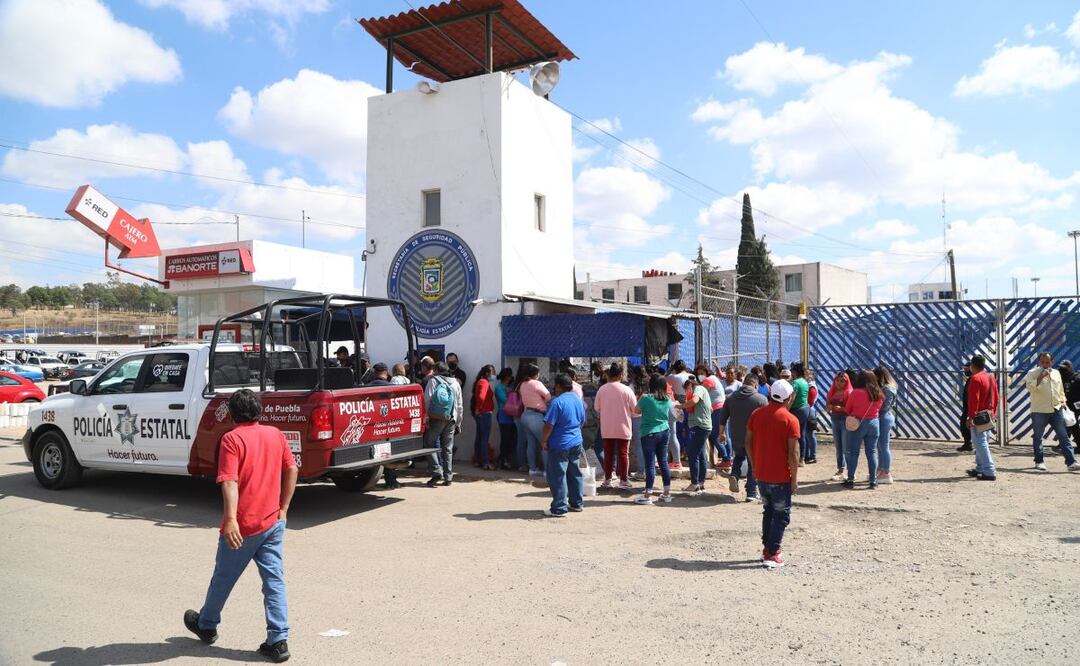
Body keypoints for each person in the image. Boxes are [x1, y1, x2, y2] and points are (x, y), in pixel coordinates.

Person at [184, 389, 298, 663]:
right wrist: (283, 508)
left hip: (244, 525)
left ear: (233, 414)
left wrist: (232, 519)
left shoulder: (231, 439)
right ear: (259, 411)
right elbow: (292, 468)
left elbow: (230, 481)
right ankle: (278, 640)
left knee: (223, 578)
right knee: (274, 582)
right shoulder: (275, 434)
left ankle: (207, 624)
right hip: (272, 521)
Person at [745, 378, 800, 569]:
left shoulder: (756, 414)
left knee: (768, 511)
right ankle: (772, 551)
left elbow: (748, 442)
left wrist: (754, 466)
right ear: (789, 397)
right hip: (781, 476)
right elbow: (794, 454)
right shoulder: (791, 420)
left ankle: (768, 548)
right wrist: (794, 478)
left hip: (761, 473)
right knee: (781, 515)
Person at [1024, 352, 1080, 472]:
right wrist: (1040, 377)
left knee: (1064, 436)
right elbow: (1030, 388)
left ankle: (1071, 462)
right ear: (1039, 362)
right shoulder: (1032, 373)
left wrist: (1063, 401)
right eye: (1043, 362)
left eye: (1048, 362)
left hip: (1056, 409)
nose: (1045, 364)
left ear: (1052, 362)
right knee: (1038, 437)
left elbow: (1060, 390)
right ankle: (1039, 462)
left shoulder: (1056, 373)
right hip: (1039, 410)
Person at [540, 373, 587, 517]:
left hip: (560, 444)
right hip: (576, 442)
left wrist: (543, 440)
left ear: (559, 386)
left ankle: (559, 508)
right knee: (574, 473)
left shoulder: (557, 402)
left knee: (558, 475)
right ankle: (576, 503)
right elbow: (582, 422)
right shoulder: (578, 400)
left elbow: (549, 425)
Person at [719, 373, 768, 502]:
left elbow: (723, 418)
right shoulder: (761, 399)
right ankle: (751, 492)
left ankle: (734, 475)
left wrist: (721, 433)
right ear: (756, 384)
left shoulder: (730, 398)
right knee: (753, 463)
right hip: (754, 437)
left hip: (736, 435)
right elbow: (767, 421)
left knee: (739, 457)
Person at [594, 363, 637, 490]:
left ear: (608, 375)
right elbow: (634, 410)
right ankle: (623, 480)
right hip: (624, 427)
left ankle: (607, 480)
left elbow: (597, 408)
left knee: (608, 454)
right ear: (621, 375)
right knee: (623, 454)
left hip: (607, 428)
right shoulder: (627, 390)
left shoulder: (602, 389)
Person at [634, 373, 674, 504]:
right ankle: (667, 493)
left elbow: (637, 411)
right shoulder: (667, 399)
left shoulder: (646, 398)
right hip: (664, 431)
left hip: (649, 433)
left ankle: (647, 495)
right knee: (663, 462)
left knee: (650, 464)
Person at [423, 361, 463, 487]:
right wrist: (458, 422)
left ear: (436, 370)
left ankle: (436, 471)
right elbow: (459, 405)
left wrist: (427, 418)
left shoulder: (433, 381)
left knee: (428, 444)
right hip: (451, 419)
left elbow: (427, 400)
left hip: (436, 419)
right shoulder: (456, 383)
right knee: (448, 448)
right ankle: (448, 476)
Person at [843, 370, 884, 489]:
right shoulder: (879, 393)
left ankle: (850, 479)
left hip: (858, 423)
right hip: (874, 423)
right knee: (871, 452)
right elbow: (879, 407)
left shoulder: (856, 392)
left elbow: (847, 409)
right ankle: (873, 480)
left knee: (854, 452)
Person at [965, 355, 999, 481]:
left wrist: (971, 417)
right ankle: (980, 468)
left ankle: (989, 470)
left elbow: (974, 400)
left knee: (980, 442)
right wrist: (993, 412)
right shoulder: (990, 377)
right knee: (983, 441)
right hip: (988, 414)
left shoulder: (975, 378)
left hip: (979, 415)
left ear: (972, 366)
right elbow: (996, 396)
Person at [518, 363, 551, 477]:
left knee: (530, 443)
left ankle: (532, 469)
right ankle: (547, 471)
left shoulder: (522, 384)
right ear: (535, 374)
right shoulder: (537, 383)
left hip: (525, 415)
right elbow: (548, 397)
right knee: (545, 443)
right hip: (536, 416)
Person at [682, 375, 713, 493]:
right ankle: (700, 482)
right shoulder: (701, 391)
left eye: (687, 388)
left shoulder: (699, 389)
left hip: (700, 427)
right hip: (701, 426)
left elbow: (694, 401)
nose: (687, 391)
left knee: (693, 454)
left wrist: (681, 405)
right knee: (700, 455)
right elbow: (710, 409)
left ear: (691, 384)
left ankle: (695, 483)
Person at [698, 364, 730, 472]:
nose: (700, 375)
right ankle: (728, 459)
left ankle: (725, 459)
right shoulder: (714, 378)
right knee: (724, 435)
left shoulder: (708, 380)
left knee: (715, 435)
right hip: (722, 408)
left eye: (702, 373)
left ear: (707, 372)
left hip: (716, 410)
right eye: (698, 373)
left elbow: (702, 394)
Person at [825, 371, 852, 482]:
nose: (839, 383)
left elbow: (850, 409)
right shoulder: (832, 392)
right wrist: (829, 408)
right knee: (838, 447)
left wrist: (838, 408)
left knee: (846, 447)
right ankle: (840, 470)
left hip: (845, 420)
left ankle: (850, 471)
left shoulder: (849, 392)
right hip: (835, 420)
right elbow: (827, 407)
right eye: (837, 380)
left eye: (842, 381)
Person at [874, 366, 898, 484]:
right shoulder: (888, 387)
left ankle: (886, 472)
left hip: (884, 417)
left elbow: (884, 406)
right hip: (883, 417)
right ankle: (881, 469)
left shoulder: (887, 389)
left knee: (884, 446)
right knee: (880, 446)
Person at [666, 360, 690, 467]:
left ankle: (677, 456)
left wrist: (670, 370)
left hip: (678, 405)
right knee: (689, 430)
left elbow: (662, 379)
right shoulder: (691, 375)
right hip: (690, 404)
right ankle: (688, 454)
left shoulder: (674, 377)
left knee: (677, 432)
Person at [492, 368, 517, 470]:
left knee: (510, 439)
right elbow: (505, 400)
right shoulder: (499, 388)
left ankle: (505, 459)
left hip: (510, 415)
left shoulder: (508, 387)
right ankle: (503, 460)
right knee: (505, 439)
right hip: (503, 414)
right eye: (510, 375)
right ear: (507, 376)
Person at [789, 362, 812, 465]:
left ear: (794, 372)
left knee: (793, 434)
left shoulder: (795, 383)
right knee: (802, 434)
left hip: (796, 410)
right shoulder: (805, 382)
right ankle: (802, 458)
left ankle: (794, 456)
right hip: (805, 408)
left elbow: (792, 398)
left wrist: (785, 410)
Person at [1061, 360, 1080, 454]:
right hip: (1065, 404)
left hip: (1076, 405)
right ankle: (1064, 443)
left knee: (1073, 425)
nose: (1062, 369)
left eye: (1065, 367)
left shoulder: (1076, 377)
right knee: (1065, 424)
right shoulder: (1061, 377)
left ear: (1070, 367)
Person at [957, 363, 973, 452]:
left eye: (966, 369)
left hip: (971, 408)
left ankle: (970, 444)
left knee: (966, 425)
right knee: (964, 425)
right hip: (968, 407)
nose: (964, 371)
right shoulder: (971, 379)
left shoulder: (974, 379)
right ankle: (968, 444)